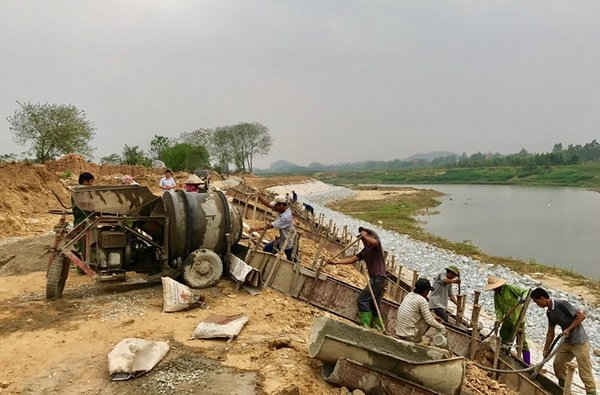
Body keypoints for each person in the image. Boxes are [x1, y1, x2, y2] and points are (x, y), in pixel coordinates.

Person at [531, 287, 596, 394]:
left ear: (542, 298)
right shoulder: (549, 313)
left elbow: (581, 316)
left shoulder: (561, 304)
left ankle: (591, 392)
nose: (537, 304)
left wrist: (569, 329)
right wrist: (546, 349)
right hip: (566, 342)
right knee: (558, 365)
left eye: (536, 301)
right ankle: (564, 389)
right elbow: (550, 332)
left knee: (585, 372)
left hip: (579, 342)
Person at [327, 226, 387, 330]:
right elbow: (352, 259)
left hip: (378, 278)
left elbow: (375, 242)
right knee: (374, 304)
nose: (363, 241)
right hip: (377, 279)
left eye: (363, 239)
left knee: (362, 300)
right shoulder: (365, 251)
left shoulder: (375, 246)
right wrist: (336, 262)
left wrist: (365, 235)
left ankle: (366, 326)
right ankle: (378, 327)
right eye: (362, 239)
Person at [485, 276, 531, 365]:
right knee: (503, 336)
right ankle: (503, 354)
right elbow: (498, 308)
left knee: (522, 341)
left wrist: (523, 298)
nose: (494, 290)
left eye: (495, 288)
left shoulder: (509, 288)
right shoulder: (496, 295)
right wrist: (498, 319)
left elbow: (525, 291)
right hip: (507, 319)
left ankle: (527, 363)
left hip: (518, 319)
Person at [396, 278, 446, 342]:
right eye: (428, 291)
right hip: (408, 335)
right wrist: (442, 327)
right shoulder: (422, 300)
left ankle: (412, 337)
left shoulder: (409, 294)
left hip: (399, 332)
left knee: (429, 317)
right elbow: (429, 320)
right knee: (428, 321)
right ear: (425, 291)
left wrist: (434, 318)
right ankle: (416, 340)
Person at [249, 195, 296, 261]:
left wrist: (254, 229)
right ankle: (267, 261)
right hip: (282, 239)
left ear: (281, 205)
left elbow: (270, 226)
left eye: (276, 205)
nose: (274, 207)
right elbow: (270, 205)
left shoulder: (285, 217)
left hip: (287, 241)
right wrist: (260, 197)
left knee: (290, 259)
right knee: (267, 249)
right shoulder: (284, 209)